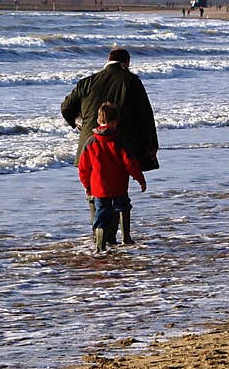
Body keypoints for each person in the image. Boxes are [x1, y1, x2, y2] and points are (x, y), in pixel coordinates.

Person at [61, 47, 158, 244]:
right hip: (118, 146)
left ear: (107, 60)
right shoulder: (131, 81)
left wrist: (78, 124)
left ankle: (99, 235)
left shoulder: (87, 82)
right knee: (117, 191)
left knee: (94, 191)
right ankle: (112, 237)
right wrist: (151, 145)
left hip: (89, 146)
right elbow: (145, 116)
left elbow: (66, 108)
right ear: (126, 63)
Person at [77, 102, 146, 253]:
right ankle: (126, 237)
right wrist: (140, 179)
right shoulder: (120, 141)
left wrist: (87, 186)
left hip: (99, 188)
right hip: (119, 187)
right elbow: (131, 163)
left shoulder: (91, 142)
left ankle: (100, 245)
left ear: (98, 121)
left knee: (101, 214)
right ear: (116, 121)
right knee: (124, 207)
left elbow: (83, 169)